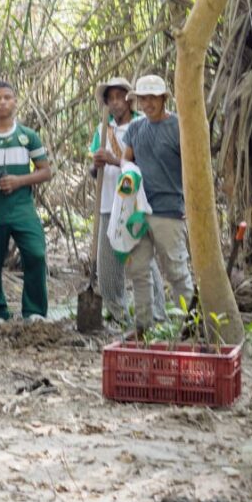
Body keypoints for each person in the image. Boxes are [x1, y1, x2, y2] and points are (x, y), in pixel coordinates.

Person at [0, 81, 53, 328]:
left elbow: (46, 171)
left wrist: (19, 181)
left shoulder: (27, 136)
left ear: (16, 101)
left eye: (8, 97)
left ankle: (35, 311)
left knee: (36, 254)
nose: (3, 102)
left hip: (22, 210)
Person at [121, 74, 195, 337]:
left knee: (176, 270)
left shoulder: (178, 126)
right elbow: (127, 163)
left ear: (164, 99)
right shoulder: (135, 129)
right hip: (139, 212)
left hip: (169, 211)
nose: (148, 103)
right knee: (139, 271)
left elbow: (192, 166)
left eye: (153, 97)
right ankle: (143, 326)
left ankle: (190, 325)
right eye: (143, 98)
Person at [89, 78, 166, 327]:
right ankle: (118, 313)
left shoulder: (142, 126)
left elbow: (144, 164)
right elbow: (93, 171)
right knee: (108, 263)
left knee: (142, 258)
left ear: (129, 99)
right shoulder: (102, 131)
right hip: (107, 201)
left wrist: (112, 160)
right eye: (110, 98)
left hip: (134, 204)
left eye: (119, 97)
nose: (115, 102)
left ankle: (156, 314)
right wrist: (96, 165)